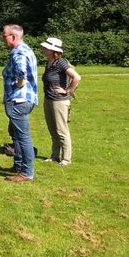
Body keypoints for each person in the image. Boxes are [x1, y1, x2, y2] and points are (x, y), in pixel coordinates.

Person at [1, 24, 39, 182]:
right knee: (17, 135)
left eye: (4, 36)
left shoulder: (19, 52)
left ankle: (27, 173)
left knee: (23, 137)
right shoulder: (25, 49)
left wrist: (20, 83)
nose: (2, 39)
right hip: (22, 100)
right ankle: (19, 166)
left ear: (13, 37)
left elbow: (21, 71)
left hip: (19, 100)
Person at [40, 37, 81, 166]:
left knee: (61, 130)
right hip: (48, 99)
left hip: (60, 101)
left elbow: (76, 77)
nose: (42, 49)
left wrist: (67, 90)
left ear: (53, 50)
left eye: (45, 47)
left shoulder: (61, 63)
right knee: (53, 130)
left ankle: (66, 159)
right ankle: (54, 156)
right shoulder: (49, 62)